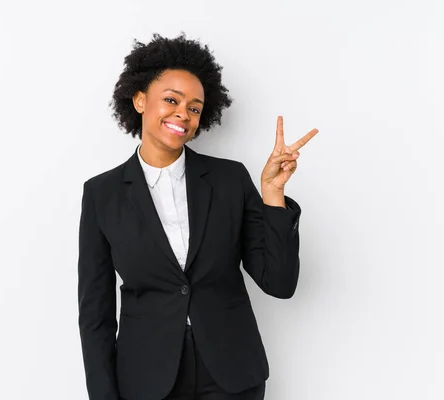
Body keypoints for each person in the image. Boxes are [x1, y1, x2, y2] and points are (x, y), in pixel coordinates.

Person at [78, 33, 318, 400]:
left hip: (231, 374)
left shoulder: (229, 180)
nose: (183, 114)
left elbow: (279, 283)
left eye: (194, 107)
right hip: (146, 378)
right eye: (171, 100)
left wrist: (273, 194)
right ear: (140, 100)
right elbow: (95, 312)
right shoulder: (102, 194)